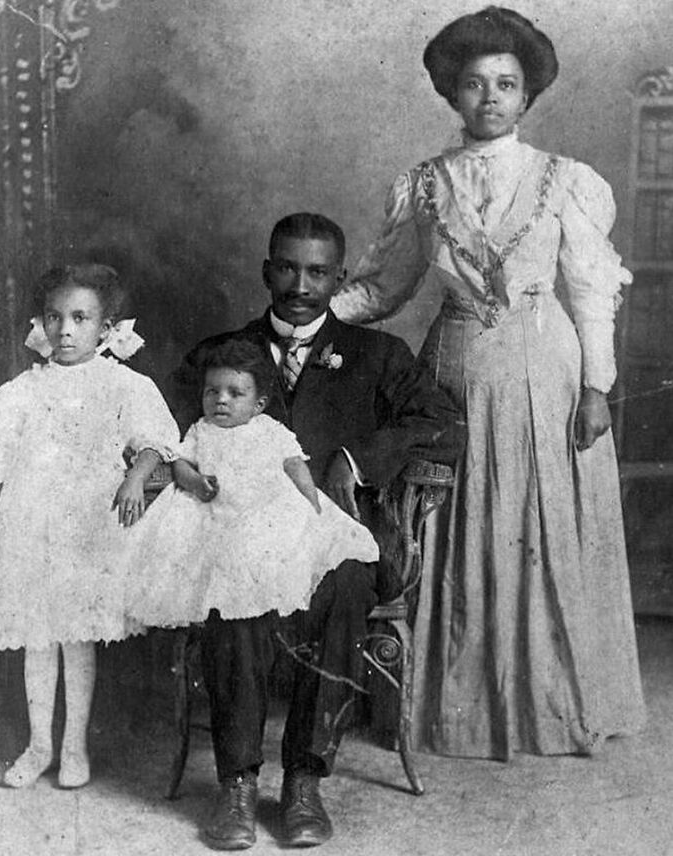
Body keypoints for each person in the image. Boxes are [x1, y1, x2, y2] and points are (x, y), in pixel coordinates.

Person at [331, 6, 645, 761]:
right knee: (453, 518)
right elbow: (383, 288)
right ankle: (456, 707)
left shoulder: (565, 181)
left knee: (542, 526)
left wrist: (597, 387)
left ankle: (553, 704)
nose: (491, 98)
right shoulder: (424, 187)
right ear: (452, 94)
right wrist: (305, 323)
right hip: (457, 374)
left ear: (527, 94)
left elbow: (589, 290)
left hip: (549, 374)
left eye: (506, 84)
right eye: (474, 84)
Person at [169, 212, 465, 849]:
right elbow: (162, 431)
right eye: (287, 267)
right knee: (234, 588)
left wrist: (358, 460)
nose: (300, 284)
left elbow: (444, 422)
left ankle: (304, 780)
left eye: (317, 272)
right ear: (266, 270)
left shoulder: (377, 354)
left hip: (329, 537)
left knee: (349, 583)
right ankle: (238, 785)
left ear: (339, 277)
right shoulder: (221, 355)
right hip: (233, 536)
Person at [0, 264, 179, 789]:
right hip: (29, 524)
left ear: (106, 328)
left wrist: (135, 477)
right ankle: (39, 744)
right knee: (38, 639)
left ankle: (74, 746)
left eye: (80, 318)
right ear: (42, 322)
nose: (65, 330)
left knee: (76, 637)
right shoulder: (20, 390)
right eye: (55, 317)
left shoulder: (122, 384)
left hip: (87, 528)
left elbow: (156, 440)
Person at [126, 338, 380, 628]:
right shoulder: (201, 430)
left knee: (281, 546)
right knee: (217, 558)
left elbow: (294, 463)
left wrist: (311, 499)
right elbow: (180, 463)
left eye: (235, 394)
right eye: (212, 392)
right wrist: (195, 481)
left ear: (258, 405)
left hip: (266, 506)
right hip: (217, 512)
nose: (221, 400)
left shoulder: (269, 429)